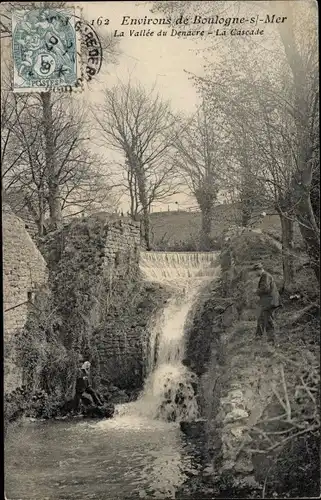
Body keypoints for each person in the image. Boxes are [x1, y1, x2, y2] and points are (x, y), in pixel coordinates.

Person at [254, 263, 280, 344]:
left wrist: (256, 291)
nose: (255, 273)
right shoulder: (265, 275)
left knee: (267, 319)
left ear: (259, 270)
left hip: (270, 301)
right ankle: (258, 337)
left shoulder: (265, 276)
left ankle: (272, 341)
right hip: (268, 301)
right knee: (261, 318)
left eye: (256, 271)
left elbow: (265, 289)